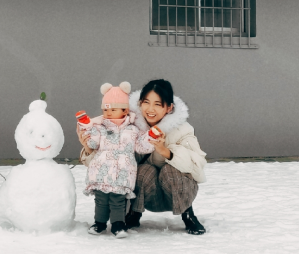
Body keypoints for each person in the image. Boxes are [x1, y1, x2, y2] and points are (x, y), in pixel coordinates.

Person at [80, 79, 206, 235]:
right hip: (147, 194)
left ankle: (188, 215)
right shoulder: (129, 127)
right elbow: (109, 159)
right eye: (146, 102)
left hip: (177, 191)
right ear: (140, 103)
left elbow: (197, 163)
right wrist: (87, 147)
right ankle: (134, 213)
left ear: (169, 107)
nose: (150, 109)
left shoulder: (182, 129)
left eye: (158, 104)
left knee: (170, 171)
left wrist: (164, 151)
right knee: (142, 171)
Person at [79, 82, 155, 238]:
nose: (108, 113)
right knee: (101, 200)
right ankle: (99, 224)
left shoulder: (133, 129)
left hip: (122, 172)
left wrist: (151, 136)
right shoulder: (100, 127)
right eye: (105, 109)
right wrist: (87, 127)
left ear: (125, 110)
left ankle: (118, 225)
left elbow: (141, 146)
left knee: (117, 200)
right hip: (101, 171)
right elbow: (93, 143)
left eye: (113, 109)